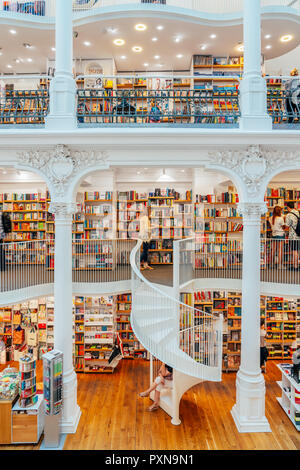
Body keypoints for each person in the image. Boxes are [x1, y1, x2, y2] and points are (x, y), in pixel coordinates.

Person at [285, 201, 300, 270]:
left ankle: (295, 266)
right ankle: (297, 264)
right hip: (298, 235)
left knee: (294, 251)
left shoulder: (289, 215)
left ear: (288, 207)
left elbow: (287, 226)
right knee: (297, 250)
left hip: (293, 235)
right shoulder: (297, 212)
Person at [139, 205, 153, 271]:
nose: (150, 213)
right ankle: (138, 264)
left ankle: (145, 264)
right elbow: (147, 228)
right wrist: (153, 228)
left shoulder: (143, 218)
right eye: (150, 211)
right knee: (145, 251)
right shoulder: (146, 218)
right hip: (146, 236)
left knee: (146, 251)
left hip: (144, 236)